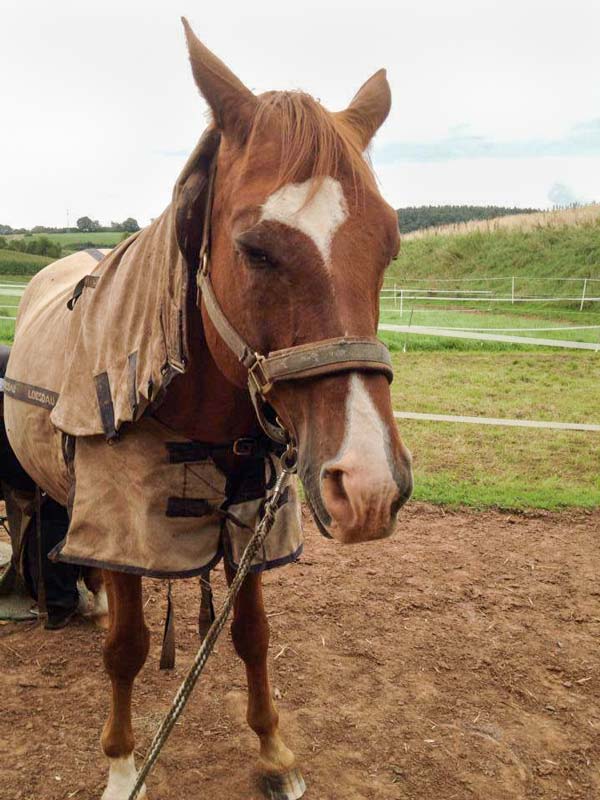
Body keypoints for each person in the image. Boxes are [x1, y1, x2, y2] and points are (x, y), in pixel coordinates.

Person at [0, 345, 80, 629]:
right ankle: (58, 601)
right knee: (53, 508)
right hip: (25, 441)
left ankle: (56, 598)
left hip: (22, 440)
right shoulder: (17, 358)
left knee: (50, 509)